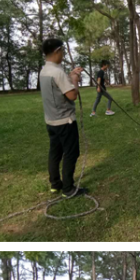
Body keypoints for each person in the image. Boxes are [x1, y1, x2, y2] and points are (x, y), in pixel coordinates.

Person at [39, 38, 86, 198]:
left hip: (51, 121)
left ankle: (55, 184)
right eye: (63, 51)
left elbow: (58, 86)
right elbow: (72, 95)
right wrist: (74, 80)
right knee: (71, 153)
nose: (64, 54)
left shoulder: (44, 71)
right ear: (57, 51)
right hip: (65, 121)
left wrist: (70, 75)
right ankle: (68, 189)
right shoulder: (58, 72)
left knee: (55, 152)